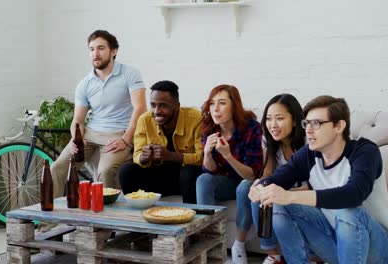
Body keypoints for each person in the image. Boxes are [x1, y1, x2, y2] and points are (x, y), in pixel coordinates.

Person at [249, 95, 388, 264]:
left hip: (381, 251)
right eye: (306, 123)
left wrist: (289, 196)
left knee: (347, 211)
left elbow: (354, 194)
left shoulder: (364, 151)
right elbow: (277, 179)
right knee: (277, 200)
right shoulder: (310, 154)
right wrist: (261, 186)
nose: (308, 130)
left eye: (316, 123)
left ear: (339, 126)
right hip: (336, 243)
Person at [50, 29, 147, 197]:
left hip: (118, 133)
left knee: (105, 170)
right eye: (92, 49)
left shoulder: (130, 74)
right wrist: (76, 138)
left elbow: (140, 108)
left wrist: (125, 139)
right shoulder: (85, 84)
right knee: (56, 168)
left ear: (113, 51)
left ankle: (106, 221)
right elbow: (78, 120)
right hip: (90, 134)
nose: (95, 53)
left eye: (101, 48)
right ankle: (50, 221)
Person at [196, 84, 263, 261]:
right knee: (203, 179)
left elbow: (251, 175)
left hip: (246, 181)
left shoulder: (252, 128)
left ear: (234, 105)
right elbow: (209, 170)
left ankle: (239, 244)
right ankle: (210, 239)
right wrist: (207, 152)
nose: (215, 109)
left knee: (244, 186)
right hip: (225, 182)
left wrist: (228, 155)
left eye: (222, 103)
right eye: (212, 104)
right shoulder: (210, 128)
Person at [118, 80, 203, 204]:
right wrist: (144, 157)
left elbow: (201, 158)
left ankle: (190, 216)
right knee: (127, 171)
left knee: (189, 171)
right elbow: (137, 155)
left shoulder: (195, 119)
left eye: (163, 105)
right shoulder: (145, 120)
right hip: (158, 177)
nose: (156, 111)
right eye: (153, 105)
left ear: (177, 106)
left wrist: (171, 156)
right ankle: (138, 214)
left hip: (186, 179)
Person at [247, 94, 306, 264]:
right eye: (268, 119)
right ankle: (273, 255)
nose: (273, 125)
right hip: (282, 187)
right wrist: (262, 187)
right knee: (258, 192)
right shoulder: (269, 140)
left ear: (295, 120)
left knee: (268, 193)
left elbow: (313, 186)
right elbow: (267, 174)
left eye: (279, 118)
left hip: (304, 192)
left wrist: (281, 193)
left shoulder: (308, 141)